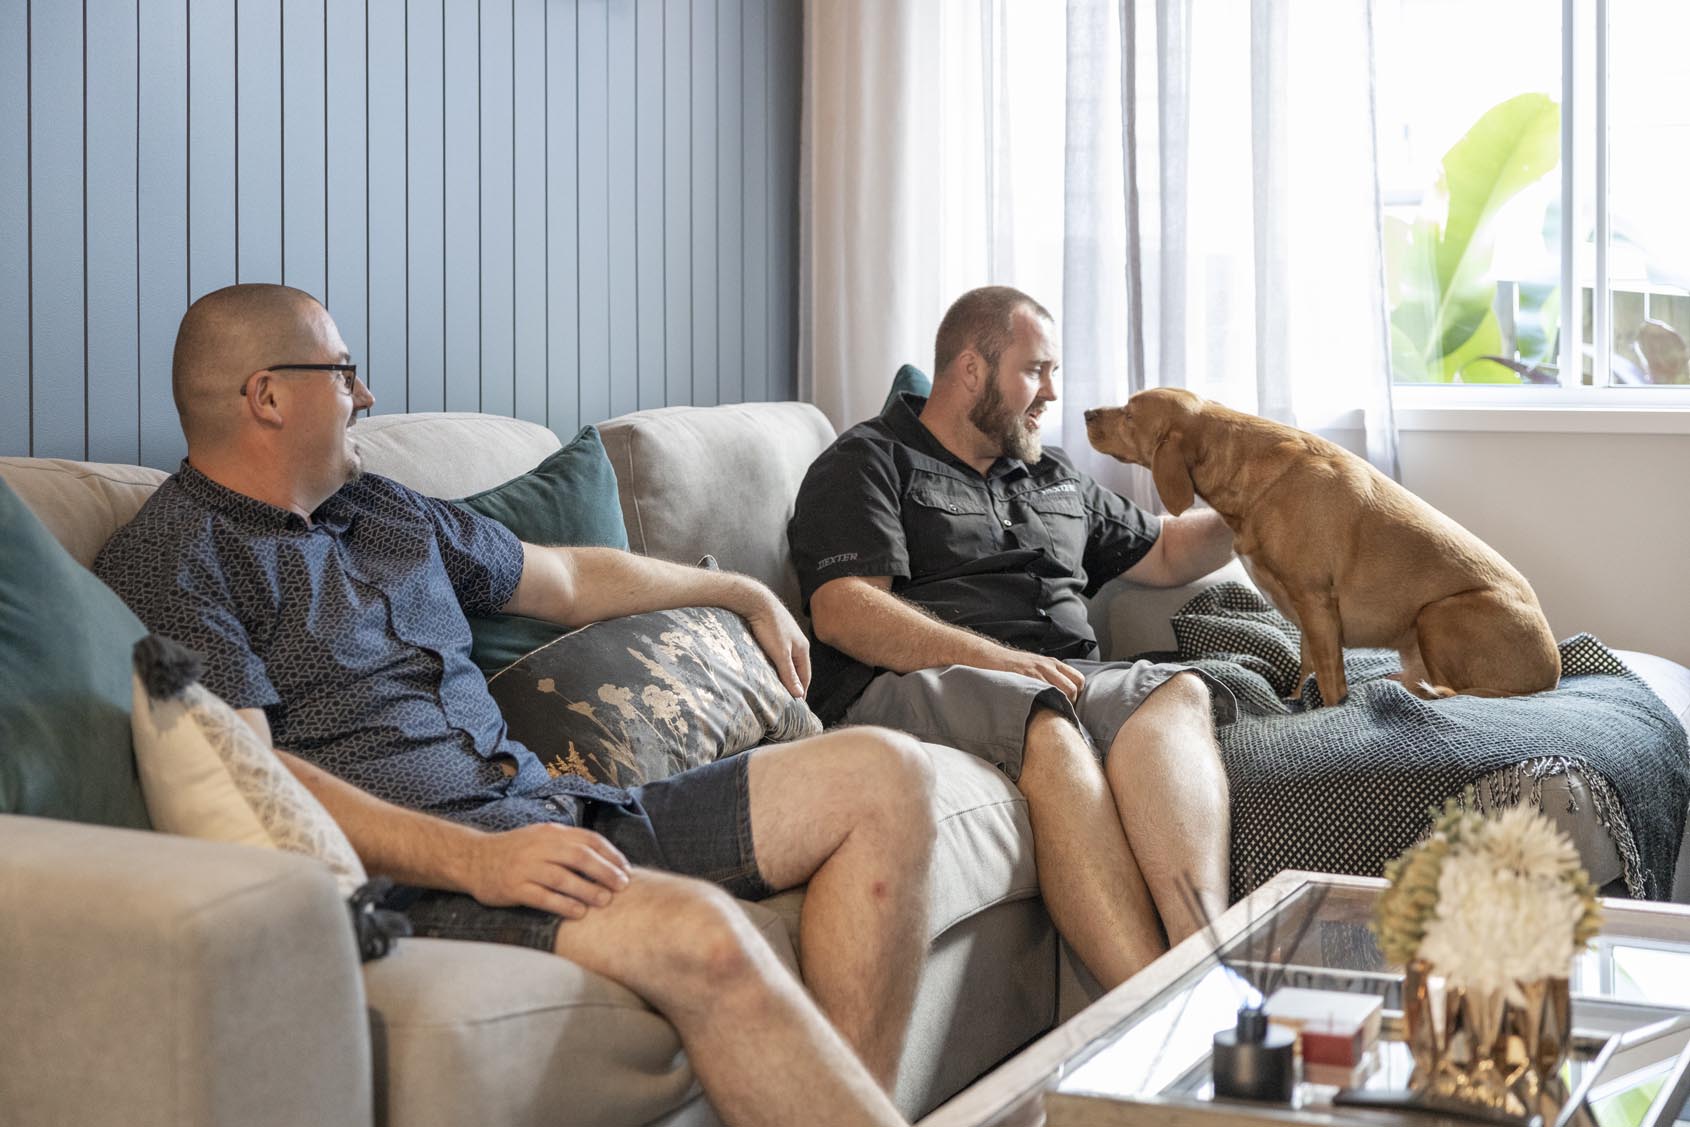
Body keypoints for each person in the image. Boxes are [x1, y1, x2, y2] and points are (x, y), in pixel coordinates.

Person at [95, 283, 935, 1127]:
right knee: (705, 932)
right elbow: (253, 778)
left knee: (885, 771)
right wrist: (474, 860)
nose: (366, 396)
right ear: (266, 396)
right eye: (344, 373)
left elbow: (569, 580)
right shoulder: (174, 560)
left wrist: (740, 588)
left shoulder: (379, 508)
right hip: (428, 876)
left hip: (558, 811)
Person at [787, 285, 1237, 989]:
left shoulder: (1053, 474)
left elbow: (1173, 551)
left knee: (1176, 692)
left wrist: (1266, 496)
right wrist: (998, 660)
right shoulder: (868, 460)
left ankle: (1206, 968)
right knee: (1047, 724)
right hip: (925, 687)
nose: (1051, 392)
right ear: (970, 369)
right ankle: (1153, 1008)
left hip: (1058, 677)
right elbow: (845, 608)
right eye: (1036, 369)